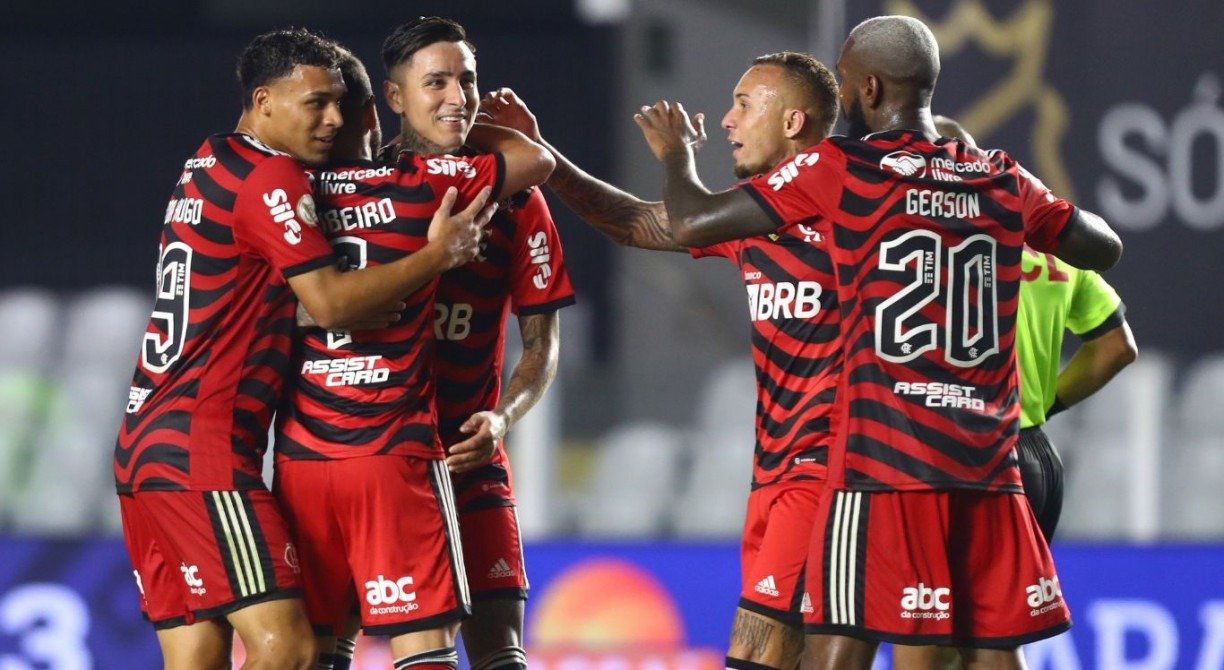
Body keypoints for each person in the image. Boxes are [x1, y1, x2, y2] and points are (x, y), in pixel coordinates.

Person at [632, 14, 1122, 670]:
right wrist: (1029, 210)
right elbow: (1103, 247)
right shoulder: (1002, 177)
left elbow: (692, 222)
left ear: (865, 89)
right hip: (986, 461)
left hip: (887, 463)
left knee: (843, 639)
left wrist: (673, 156)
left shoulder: (846, 169)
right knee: (990, 651)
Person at [113, 28, 497, 670]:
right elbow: (330, 303)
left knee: (197, 656)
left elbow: (260, 296)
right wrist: (439, 254)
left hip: (145, 447)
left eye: (341, 104)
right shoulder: (270, 175)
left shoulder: (207, 160)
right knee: (286, 648)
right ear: (263, 100)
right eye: (315, 103)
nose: (334, 119)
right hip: (203, 450)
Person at [479, 50, 840, 670]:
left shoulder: (850, 208)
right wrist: (547, 160)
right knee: (804, 653)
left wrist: (677, 156)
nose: (727, 120)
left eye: (744, 104)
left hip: (828, 464)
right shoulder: (758, 214)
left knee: (757, 651)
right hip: (775, 468)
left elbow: (689, 218)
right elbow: (636, 224)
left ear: (792, 123)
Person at [273, 43, 553, 670]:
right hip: (382, 448)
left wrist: (503, 417)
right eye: (438, 83)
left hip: (465, 455)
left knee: (499, 655)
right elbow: (264, 303)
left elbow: (541, 344)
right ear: (392, 101)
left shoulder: (517, 198)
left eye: (467, 82)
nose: (457, 96)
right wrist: (320, 308)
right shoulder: (345, 188)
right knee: (336, 650)